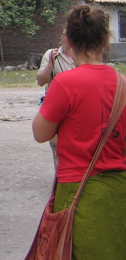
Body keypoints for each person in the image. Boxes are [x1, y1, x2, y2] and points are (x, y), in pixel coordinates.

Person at [32, 5, 126, 260]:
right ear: (106, 40)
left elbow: (41, 133)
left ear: (69, 41)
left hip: (77, 194)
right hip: (118, 194)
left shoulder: (65, 83)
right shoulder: (123, 83)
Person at [36, 29, 75, 168]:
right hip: (57, 106)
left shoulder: (81, 55)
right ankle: (60, 179)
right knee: (57, 144)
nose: (68, 38)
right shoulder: (52, 54)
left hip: (76, 106)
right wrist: (50, 65)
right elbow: (41, 81)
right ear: (61, 37)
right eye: (65, 35)